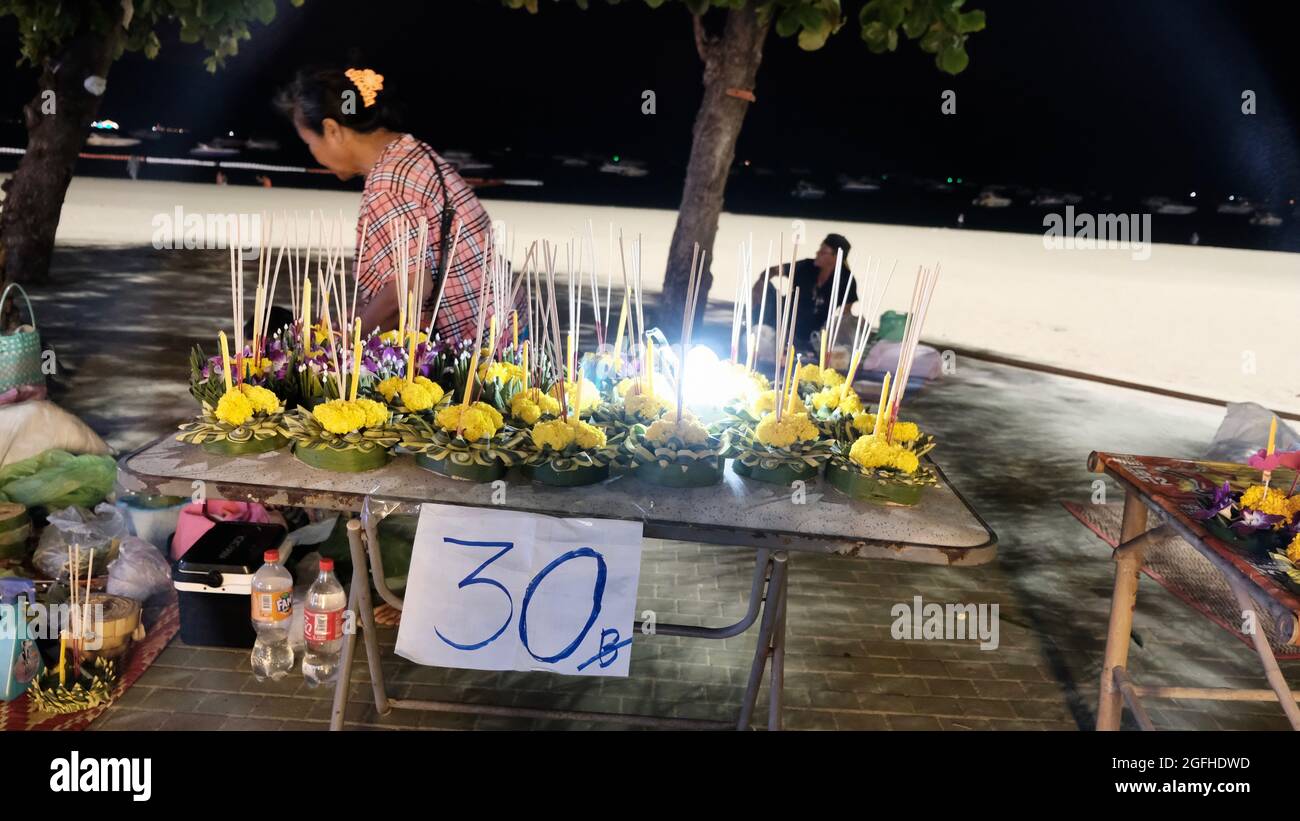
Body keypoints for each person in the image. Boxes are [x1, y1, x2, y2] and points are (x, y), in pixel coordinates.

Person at [275, 66, 493, 340]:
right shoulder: (410, 151)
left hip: (482, 355)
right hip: (505, 332)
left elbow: (410, 286)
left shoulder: (387, 185)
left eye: (309, 143)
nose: (313, 153)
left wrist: (346, 339)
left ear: (331, 130)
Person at [752, 233, 857, 361]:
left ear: (836, 257)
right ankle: (756, 327)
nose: (817, 253)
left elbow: (845, 313)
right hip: (786, 318)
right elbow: (773, 270)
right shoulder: (806, 266)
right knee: (765, 288)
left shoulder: (846, 280)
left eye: (823, 252)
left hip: (813, 330)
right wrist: (761, 282)